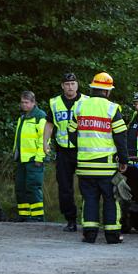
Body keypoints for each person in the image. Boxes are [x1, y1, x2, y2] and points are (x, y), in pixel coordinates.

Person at [68, 72, 129, 244]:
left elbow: (71, 132)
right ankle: (112, 236)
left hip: (85, 165)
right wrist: (124, 160)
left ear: (92, 88)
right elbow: (120, 136)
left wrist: (81, 146)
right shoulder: (112, 108)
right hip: (106, 166)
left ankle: (89, 235)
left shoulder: (79, 107)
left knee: (89, 200)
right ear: (108, 91)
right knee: (111, 199)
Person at [44, 73, 87, 232]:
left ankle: (88, 219)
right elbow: (49, 124)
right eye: (67, 84)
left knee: (86, 186)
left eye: (73, 83)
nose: (70, 87)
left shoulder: (86, 102)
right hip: (63, 150)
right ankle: (71, 220)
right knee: (64, 187)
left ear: (77, 85)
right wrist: (45, 142)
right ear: (62, 86)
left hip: (82, 150)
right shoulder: (55, 103)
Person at [13, 91, 47, 221]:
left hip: (34, 159)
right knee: (20, 187)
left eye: (26, 102)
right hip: (22, 158)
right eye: (22, 102)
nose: (24, 105)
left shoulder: (40, 116)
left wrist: (39, 157)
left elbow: (43, 139)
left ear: (33, 103)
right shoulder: (22, 117)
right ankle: (24, 215)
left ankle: (37, 216)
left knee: (33, 187)